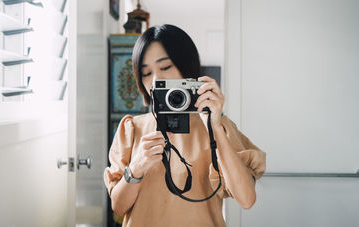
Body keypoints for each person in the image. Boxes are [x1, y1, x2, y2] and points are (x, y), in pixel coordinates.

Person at [104, 24, 266, 227]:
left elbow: (246, 199)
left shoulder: (218, 126)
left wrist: (215, 128)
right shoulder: (132, 129)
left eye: (165, 67)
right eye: (146, 73)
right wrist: (136, 168)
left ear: (186, 65)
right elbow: (118, 207)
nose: (156, 80)